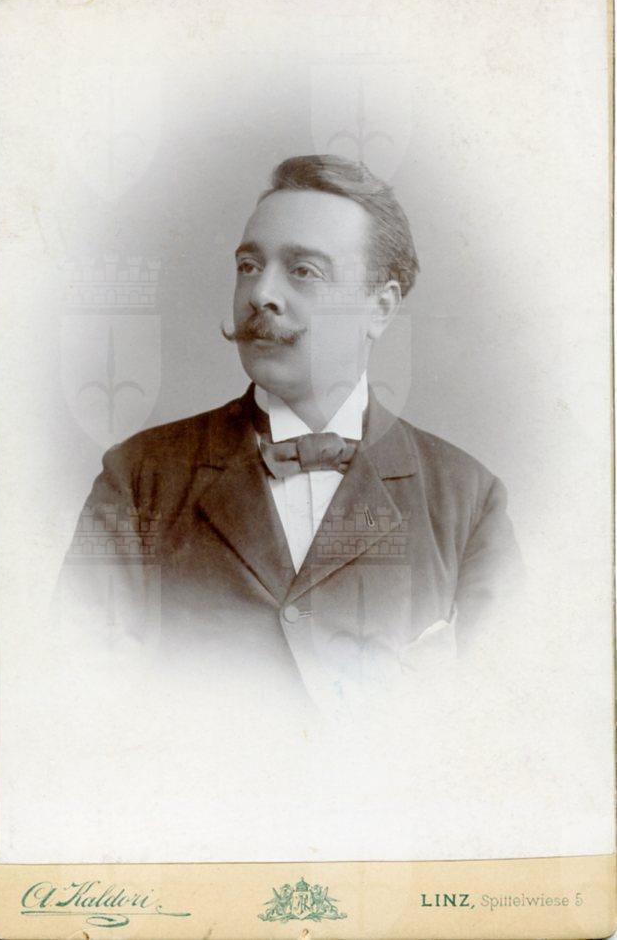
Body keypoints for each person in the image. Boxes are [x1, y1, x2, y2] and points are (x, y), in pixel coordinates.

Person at [58, 154, 521, 714]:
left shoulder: (468, 501)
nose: (260, 294)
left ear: (380, 307)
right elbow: (78, 703)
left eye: (304, 271)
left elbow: (503, 716)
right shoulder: (138, 478)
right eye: (249, 265)